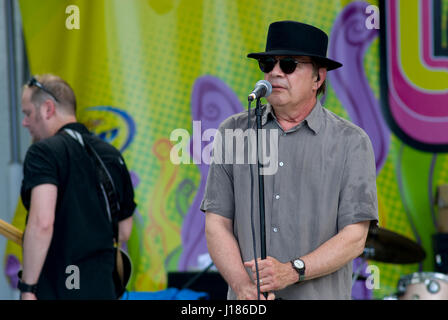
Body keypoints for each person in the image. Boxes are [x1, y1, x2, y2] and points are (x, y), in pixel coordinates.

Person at [201, 21, 378, 300]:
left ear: (318, 78)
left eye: (289, 65)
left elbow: (355, 236)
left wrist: (294, 270)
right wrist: (242, 286)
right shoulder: (233, 132)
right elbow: (217, 223)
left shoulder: (351, 142)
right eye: (268, 63)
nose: (274, 72)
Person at [19, 74, 136, 299]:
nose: (25, 122)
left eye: (27, 114)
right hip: (102, 285)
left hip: (61, 286)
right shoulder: (112, 155)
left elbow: (42, 223)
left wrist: (28, 288)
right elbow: (124, 231)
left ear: (47, 109)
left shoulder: (43, 152)